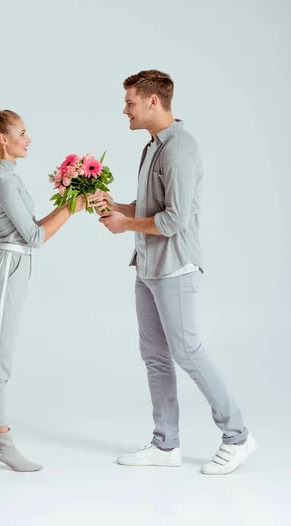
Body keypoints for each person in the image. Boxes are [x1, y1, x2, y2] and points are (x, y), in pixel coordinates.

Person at [94, 70, 257, 475]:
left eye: (130, 102)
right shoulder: (153, 146)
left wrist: (125, 225)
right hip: (148, 267)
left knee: (187, 351)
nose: (125, 110)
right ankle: (166, 444)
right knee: (155, 356)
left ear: (153, 101)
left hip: (174, 267)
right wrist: (117, 207)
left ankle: (237, 436)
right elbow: (151, 207)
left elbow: (175, 220)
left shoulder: (180, 149)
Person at [0, 108, 98, 472]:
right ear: (3, 139)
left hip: (12, 263)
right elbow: (34, 237)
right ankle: (2, 441)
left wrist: (70, 201)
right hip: (8, 266)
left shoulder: (10, 176)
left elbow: (31, 229)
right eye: (23, 133)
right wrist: (72, 206)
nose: (29, 139)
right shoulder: (4, 180)